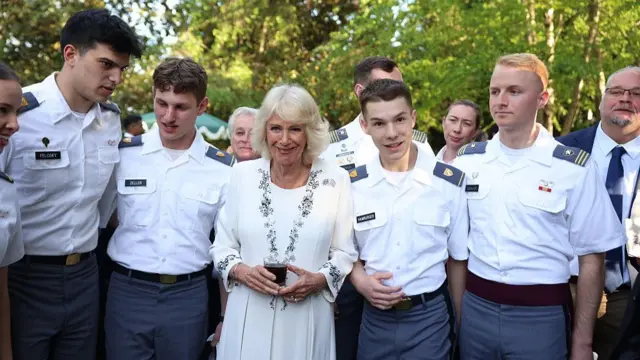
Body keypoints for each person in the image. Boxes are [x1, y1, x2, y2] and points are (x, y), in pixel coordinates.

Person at [453, 53, 625, 360]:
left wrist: (583, 344)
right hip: (476, 311)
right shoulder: (468, 161)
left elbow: (592, 261)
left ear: (542, 98)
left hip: (541, 315)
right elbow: (455, 249)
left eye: (514, 91)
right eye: (495, 91)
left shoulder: (573, 168)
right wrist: (459, 317)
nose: (501, 101)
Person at [0, 9, 142, 360]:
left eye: (122, 69)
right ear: (71, 54)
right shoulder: (19, 115)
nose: (116, 78)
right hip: (23, 277)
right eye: (107, 64)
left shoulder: (111, 121)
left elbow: (105, 205)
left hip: (85, 276)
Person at [211, 83, 358, 360]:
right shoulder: (242, 176)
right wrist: (242, 271)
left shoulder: (335, 179)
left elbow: (345, 251)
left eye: (295, 128)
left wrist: (320, 279)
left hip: (307, 316)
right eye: (276, 128)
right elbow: (221, 248)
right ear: (264, 131)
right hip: (247, 313)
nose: (285, 139)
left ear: (309, 132)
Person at [103, 58, 232, 360]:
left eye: (181, 107)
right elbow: (105, 216)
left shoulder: (223, 169)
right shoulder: (124, 154)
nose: (168, 116)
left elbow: (228, 247)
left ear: (202, 107)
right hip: (127, 291)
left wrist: (225, 317)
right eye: (161, 103)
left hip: (187, 297)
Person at [320, 56, 435, 360]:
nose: (391, 132)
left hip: (404, 292)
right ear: (360, 93)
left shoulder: (421, 146)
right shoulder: (332, 147)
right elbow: (325, 225)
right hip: (347, 282)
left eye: (399, 86)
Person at [349, 79, 468, 359]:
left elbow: (458, 260)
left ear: (413, 118)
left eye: (400, 119)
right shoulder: (352, 183)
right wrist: (360, 281)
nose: (392, 133)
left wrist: (459, 324)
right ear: (365, 127)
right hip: (374, 319)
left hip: (430, 319)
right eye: (378, 123)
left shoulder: (448, 182)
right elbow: (344, 251)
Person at [557, 66, 640, 360]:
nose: (625, 99)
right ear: (602, 99)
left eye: (636, 94)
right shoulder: (561, 149)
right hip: (567, 288)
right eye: (616, 92)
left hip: (629, 294)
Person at [0, 62, 26, 360]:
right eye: (2, 111)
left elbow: (1, 293)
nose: (15, 124)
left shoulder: (7, 192)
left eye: (15, 112)